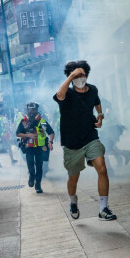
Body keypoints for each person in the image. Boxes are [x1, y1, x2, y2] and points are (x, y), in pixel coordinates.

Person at [54, 62, 116, 220]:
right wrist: (71, 77)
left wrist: (100, 116)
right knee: (73, 178)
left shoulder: (93, 89)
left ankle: (103, 209)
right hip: (72, 143)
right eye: (76, 75)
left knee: (102, 168)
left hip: (90, 137)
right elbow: (59, 96)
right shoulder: (66, 93)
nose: (80, 78)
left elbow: (97, 101)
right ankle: (73, 201)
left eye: (82, 75)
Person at [17, 102, 55, 194]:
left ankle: (38, 185)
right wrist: (28, 135)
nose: (33, 111)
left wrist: (50, 142)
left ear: (37, 110)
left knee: (39, 166)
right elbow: (18, 133)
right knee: (30, 164)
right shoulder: (24, 121)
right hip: (29, 147)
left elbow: (51, 132)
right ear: (28, 110)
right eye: (31, 109)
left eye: (34, 109)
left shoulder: (42, 121)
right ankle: (31, 176)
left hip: (40, 148)